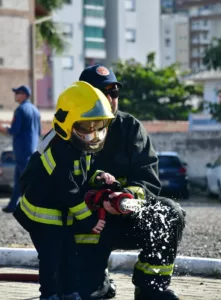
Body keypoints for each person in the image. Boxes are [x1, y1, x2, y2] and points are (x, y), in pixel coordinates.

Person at [70, 65, 186, 300]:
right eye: (103, 92)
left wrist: (125, 200)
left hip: (127, 215)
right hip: (86, 220)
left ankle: (151, 286)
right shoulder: (70, 130)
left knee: (170, 212)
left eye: (114, 92)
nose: (111, 98)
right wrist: (98, 200)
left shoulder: (131, 129)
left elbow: (148, 180)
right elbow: (63, 184)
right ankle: (94, 279)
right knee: (87, 292)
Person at [13, 81, 116, 300]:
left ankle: (70, 293)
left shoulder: (76, 142)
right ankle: (49, 295)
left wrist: (98, 177)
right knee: (51, 257)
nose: (94, 134)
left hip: (61, 213)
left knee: (70, 254)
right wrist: (90, 220)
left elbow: (80, 175)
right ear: (67, 123)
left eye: (98, 127)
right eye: (87, 128)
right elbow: (67, 189)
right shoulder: (58, 148)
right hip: (42, 215)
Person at [2, 85, 41, 213]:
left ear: (24, 95)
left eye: (17, 92)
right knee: (19, 179)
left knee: (27, 181)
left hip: (22, 150)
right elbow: (39, 131)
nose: (15, 95)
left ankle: (35, 206)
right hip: (32, 149)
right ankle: (13, 205)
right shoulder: (35, 110)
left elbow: (14, 130)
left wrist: (6, 128)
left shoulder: (21, 110)